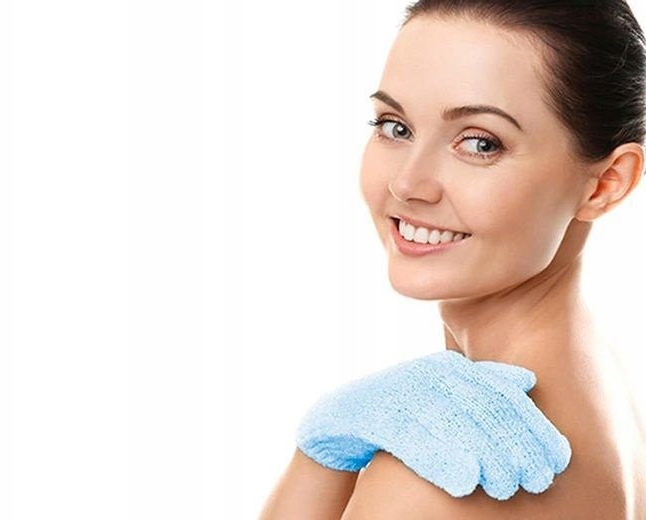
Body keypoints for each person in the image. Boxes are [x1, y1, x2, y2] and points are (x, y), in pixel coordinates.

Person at [259, 1, 646, 518]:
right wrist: (322, 457)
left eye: (480, 143)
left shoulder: (449, 477)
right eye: (395, 127)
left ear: (606, 184)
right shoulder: (601, 390)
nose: (406, 184)